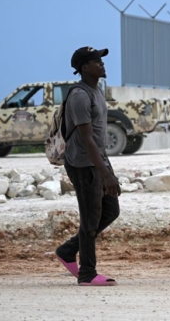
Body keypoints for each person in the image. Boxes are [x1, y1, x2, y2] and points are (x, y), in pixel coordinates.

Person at [54, 46, 121, 286]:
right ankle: (87, 273)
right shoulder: (80, 95)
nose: (102, 64)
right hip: (83, 164)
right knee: (90, 218)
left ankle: (68, 250)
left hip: (98, 160)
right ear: (84, 67)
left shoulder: (96, 90)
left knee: (111, 210)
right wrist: (105, 174)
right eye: (96, 61)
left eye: (101, 60)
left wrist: (106, 168)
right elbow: (87, 138)